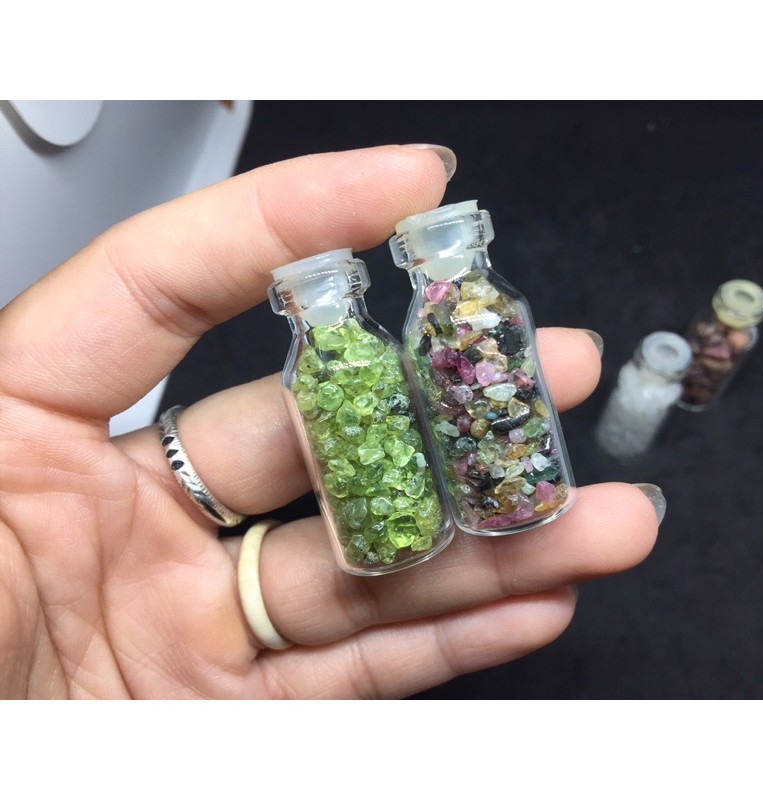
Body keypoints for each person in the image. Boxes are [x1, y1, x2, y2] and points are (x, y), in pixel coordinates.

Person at [0, 144, 661, 699]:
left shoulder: (459, 315)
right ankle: (419, 523)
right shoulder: (337, 357)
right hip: (384, 539)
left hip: (509, 497)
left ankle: (513, 493)